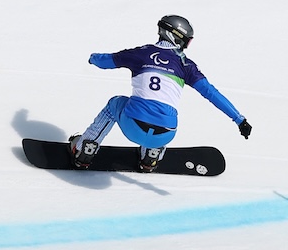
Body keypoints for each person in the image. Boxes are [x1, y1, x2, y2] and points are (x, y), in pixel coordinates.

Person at [70, 14, 253, 172]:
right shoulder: (186, 66)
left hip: (133, 127)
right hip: (166, 134)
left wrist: (92, 58)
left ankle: (85, 148)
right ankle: (150, 156)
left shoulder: (142, 53)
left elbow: (105, 61)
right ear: (176, 37)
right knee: (163, 111)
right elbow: (212, 94)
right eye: (186, 41)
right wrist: (240, 120)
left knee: (115, 103)